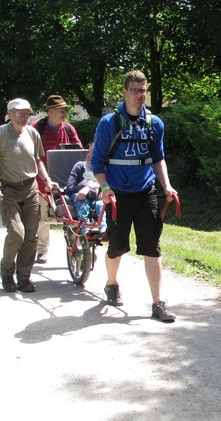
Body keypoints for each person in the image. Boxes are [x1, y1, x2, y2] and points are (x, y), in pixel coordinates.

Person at [90, 70, 177, 322]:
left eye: (143, 90)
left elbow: (158, 159)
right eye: (135, 90)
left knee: (152, 247)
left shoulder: (155, 124)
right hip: (117, 195)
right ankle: (111, 283)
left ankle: (158, 303)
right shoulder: (109, 123)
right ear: (124, 92)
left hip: (145, 192)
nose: (140, 95)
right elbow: (97, 162)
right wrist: (104, 188)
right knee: (116, 247)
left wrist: (167, 186)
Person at [0, 98, 58, 293]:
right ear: (9, 113)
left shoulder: (32, 133)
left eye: (27, 114)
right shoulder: (0, 135)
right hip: (9, 190)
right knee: (17, 233)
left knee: (31, 237)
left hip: (31, 188)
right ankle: (7, 273)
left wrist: (47, 180)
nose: (24, 117)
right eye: (19, 113)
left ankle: (24, 277)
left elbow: (38, 161)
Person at [30, 95, 83, 264]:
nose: (65, 113)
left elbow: (79, 153)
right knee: (42, 218)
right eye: (61, 110)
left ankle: (78, 247)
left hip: (66, 182)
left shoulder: (68, 129)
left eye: (65, 110)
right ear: (50, 111)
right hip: (41, 183)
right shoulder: (36, 128)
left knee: (73, 215)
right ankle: (42, 251)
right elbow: (30, 155)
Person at [64, 142, 107, 235]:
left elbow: (103, 192)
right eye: (89, 152)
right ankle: (85, 228)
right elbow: (70, 188)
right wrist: (86, 188)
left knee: (101, 204)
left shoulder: (105, 171)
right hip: (79, 197)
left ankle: (103, 230)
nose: (89, 155)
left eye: (94, 153)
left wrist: (90, 190)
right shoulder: (80, 166)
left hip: (97, 199)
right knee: (80, 199)